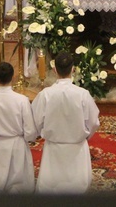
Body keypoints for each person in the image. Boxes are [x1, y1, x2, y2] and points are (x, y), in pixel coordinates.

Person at [32, 51, 100, 194]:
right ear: (73, 69)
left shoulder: (45, 95)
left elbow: (36, 120)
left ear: (54, 70)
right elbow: (94, 122)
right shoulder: (82, 94)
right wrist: (85, 136)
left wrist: (44, 133)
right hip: (77, 148)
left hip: (53, 148)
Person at [0, 61, 36, 193]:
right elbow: (30, 130)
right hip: (16, 145)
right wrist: (30, 139)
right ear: (13, 77)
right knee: (18, 186)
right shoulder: (21, 100)